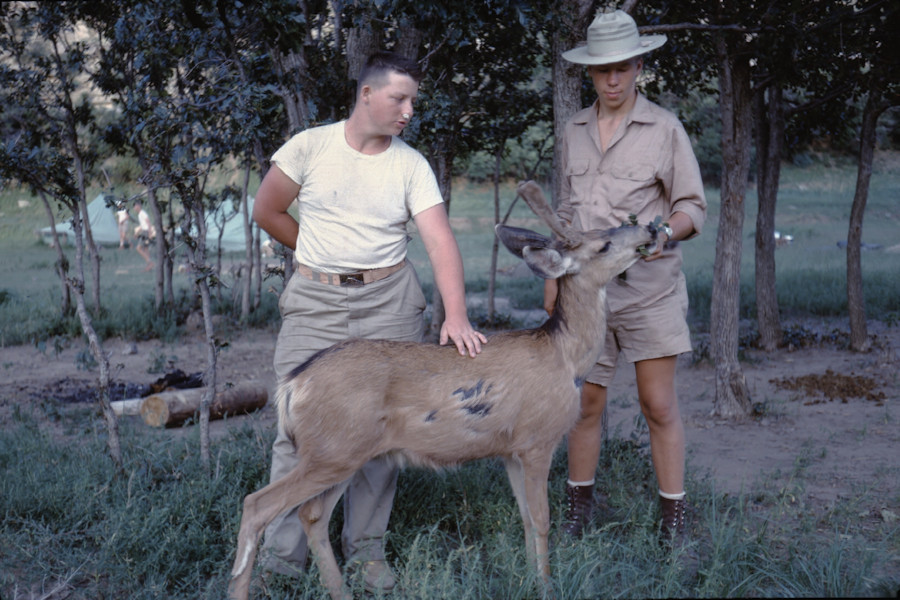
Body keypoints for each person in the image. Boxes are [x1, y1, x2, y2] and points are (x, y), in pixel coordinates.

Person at [252, 51, 487, 592]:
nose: (408, 111)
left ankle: (366, 554)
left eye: (412, 102)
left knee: (386, 430)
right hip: (316, 303)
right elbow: (267, 210)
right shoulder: (310, 147)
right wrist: (318, 254)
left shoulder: (410, 164)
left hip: (390, 302)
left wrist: (456, 314)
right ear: (366, 94)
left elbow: (439, 240)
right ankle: (281, 560)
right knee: (297, 427)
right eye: (398, 99)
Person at [546, 10, 707, 545]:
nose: (613, 80)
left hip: (647, 292)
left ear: (639, 65)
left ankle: (675, 526)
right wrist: (556, 284)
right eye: (602, 71)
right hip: (584, 298)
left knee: (657, 404)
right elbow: (567, 212)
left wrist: (667, 231)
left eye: (623, 68)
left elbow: (691, 206)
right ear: (588, 73)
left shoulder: (664, 128)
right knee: (584, 403)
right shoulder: (572, 129)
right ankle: (577, 514)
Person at [133, 199, 155, 271]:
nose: (134, 208)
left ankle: (150, 262)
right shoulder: (140, 214)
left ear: (138, 206)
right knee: (145, 249)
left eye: (135, 206)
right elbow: (142, 225)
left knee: (138, 248)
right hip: (144, 232)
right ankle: (149, 266)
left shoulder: (142, 213)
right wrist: (136, 233)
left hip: (146, 232)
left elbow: (148, 222)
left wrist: (149, 233)